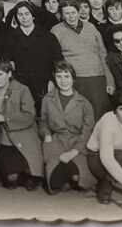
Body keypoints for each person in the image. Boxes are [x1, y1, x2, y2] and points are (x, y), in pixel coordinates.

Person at [0, 58, 45, 191]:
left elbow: (29, 116)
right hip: (4, 139)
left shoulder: (22, 89)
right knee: (11, 180)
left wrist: (3, 118)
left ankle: (29, 174)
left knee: (30, 177)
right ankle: (19, 175)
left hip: (24, 137)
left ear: (9, 74)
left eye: (0, 74)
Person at [39, 62, 97, 193]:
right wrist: (47, 135)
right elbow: (43, 121)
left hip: (77, 143)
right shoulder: (47, 99)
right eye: (59, 76)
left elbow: (88, 132)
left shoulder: (84, 103)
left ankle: (71, 175)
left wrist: (74, 152)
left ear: (73, 79)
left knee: (78, 179)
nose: (63, 80)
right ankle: (64, 175)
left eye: (67, 76)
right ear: (54, 79)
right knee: (54, 184)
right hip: (56, 142)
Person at [51, 0, 114, 116]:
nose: (71, 16)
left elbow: (102, 54)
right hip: (75, 79)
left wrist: (110, 80)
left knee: (100, 113)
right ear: (62, 15)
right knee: (80, 114)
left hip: (97, 77)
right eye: (67, 13)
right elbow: (56, 59)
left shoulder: (91, 27)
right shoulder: (56, 31)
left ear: (79, 12)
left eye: (73, 12)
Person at [6, 1, 63, 112]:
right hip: (20, 85)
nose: (24, 17)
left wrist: (52, 81)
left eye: (27, 14)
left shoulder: (48, 36)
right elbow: (7, 62)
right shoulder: (10, 38)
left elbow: (58, 61)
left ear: (33, 16)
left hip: (43, 84)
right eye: (20, 14)